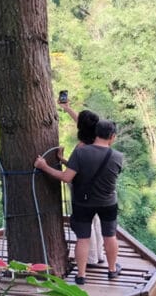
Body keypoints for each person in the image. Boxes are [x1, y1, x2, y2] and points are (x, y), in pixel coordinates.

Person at [34, 119, 123, 285]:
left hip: (83, 202)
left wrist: (44, 166)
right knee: (110, 236)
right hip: (108, 203)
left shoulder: (81, 153)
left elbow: (67, 177)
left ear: (95, 133)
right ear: (112, 136)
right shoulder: (118, 157)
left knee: (83, 238)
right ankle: (112, 270)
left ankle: (81, 275)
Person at [59, 99, 105, 266]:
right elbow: (82, 122)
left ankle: (91, 258)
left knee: (87, 223)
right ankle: (99, 255)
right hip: (98, 187)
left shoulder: (81, 148)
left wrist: (47, 165)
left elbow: (69, 174)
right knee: (96, 220)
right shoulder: (100, 139)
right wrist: (67, 108)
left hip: (82, 188)